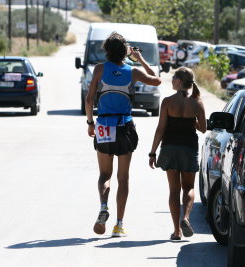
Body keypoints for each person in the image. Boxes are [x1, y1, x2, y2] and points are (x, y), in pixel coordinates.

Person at [86, 32, 161, 237]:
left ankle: (103, 207)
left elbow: (89, 100)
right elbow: (157, 81)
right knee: (123, 178)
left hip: (103, 125)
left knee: (104, 175)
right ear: (125, 52)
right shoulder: (133, 71)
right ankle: (119, 224)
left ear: (107, 51)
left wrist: (90, 122)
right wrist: (140, 59)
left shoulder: (99, 69)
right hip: (124, 126)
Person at [148, 67, 206, 240]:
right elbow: (203, 129)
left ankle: (176, 231)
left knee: (174, 190)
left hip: (170, 148)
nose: (171, 79)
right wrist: (192, 121)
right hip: (189, 148)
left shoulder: (167, 102)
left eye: (173, 77)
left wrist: (152, 152)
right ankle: (186, 218)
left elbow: (161, 129)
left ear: (179, 81)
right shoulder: (197, 102)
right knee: (188, 188)